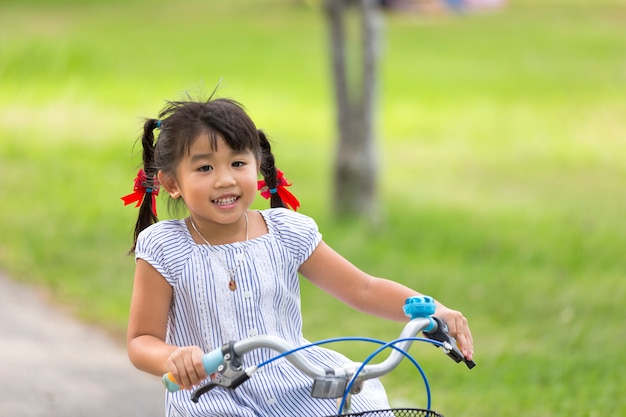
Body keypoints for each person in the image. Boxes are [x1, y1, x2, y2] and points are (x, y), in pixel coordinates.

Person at [124, 95, 474, 417]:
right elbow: (141, 340)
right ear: (171, 182)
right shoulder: (166, 245)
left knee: (365, 402)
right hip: (216, 396)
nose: (225, 180)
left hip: (297, 385)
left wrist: (432, 310)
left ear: (257, 165)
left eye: (237, 162)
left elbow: (363, 289)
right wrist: (175, 357)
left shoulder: (286, 232)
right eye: (205, 168)